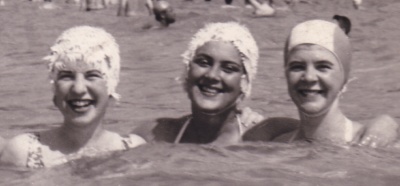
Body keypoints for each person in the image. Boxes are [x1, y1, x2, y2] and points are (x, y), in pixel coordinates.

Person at [0, 26, 146, 168]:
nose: (78, 88)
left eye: (92, 75)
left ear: (111, 87)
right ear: (55, 89)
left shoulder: (133, 150)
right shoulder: (25, 153)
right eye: (66, 76)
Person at [258, 19, 398, 146]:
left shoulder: (374, 145)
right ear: (286, 74)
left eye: (323, 66)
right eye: (297, 66)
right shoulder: (276, 145)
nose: (309, 77)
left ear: (345, 80)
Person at [133, 22, 274, 145]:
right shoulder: (157, 135)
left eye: (228, 68)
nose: (212, 75)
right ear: (187, 70)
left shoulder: (262, 137)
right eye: (203, 63)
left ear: (245, 81)